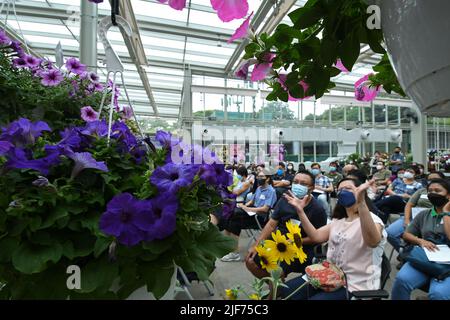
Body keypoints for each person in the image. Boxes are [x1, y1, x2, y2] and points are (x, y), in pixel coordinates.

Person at [281, 178, 387, 300]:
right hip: (329, 276)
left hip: (354, 286)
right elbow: (316, 236)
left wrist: (361, 203)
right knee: (286, 290)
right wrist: (300, 211)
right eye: (340, 190)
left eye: (348, 189)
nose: (343, 192)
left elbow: (373, 242)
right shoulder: (339, 220)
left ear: (360, 191)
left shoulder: (373, 220)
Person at [245, 171, 327, 278]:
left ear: (311, 188)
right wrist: (256, 245)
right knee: (250, 261)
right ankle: (276, 289)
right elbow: (271, 225)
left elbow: (318, 238)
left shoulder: (317, 209)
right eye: (296, 182)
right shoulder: (284, 200)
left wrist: (295, 242)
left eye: (303, 184)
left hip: (302, 248)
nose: (298, 186)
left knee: (277, 272)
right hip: (279, 243)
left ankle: (275, 291)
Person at [391, 178, 450, 300]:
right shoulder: (424, 214)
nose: (433, 194)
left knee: (438, 294)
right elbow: (407, 234)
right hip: (426, 258)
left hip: (447, 266)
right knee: (401, 280)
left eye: (438, 191)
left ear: (448, 195)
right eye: (430, 191)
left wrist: (446, 213)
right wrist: (420, 241)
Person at [220, 169, 277, 262]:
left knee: (235, 222)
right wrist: (244, 206)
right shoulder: (259, 188)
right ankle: (228, 247)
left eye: (262, 176)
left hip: (260, 218)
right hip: (252, 213)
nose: (259, 178)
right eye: (258, 176)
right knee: (230, 216)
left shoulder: (271, 191)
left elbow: (265, 209)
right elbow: (252, 201)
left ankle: (235, 254)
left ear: (267, 179)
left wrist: (248, 209)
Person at [386, 172, 445, 256]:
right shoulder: (421, 191)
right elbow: (409, 205)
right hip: (412, 218)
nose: (432, 181)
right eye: (430, 179)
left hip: (432, 220)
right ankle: (405, 254)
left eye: (435, 179)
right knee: (390, 232)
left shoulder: (445, 195)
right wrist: (406, 220)